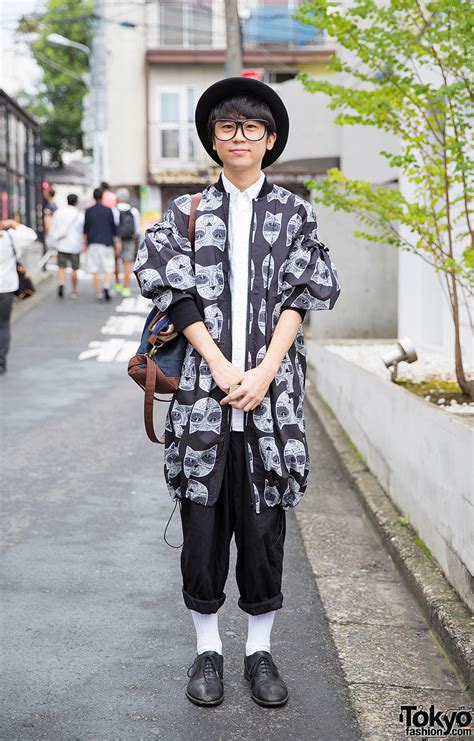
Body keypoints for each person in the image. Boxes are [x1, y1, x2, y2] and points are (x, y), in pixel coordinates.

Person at [134, 77, 341, 708]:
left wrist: (264, 371)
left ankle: (259, 651)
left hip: (272, 402)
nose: (240, 137)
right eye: (228, 128)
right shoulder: (185, 214)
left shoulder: (295, 213)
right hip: (204, 394)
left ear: (270, 139)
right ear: (213, 140)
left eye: (253, 127)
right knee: (202, 526)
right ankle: (208, 652)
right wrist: (223, 366)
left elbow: (303, 295)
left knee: (262, 529)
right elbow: (170, 287)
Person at [0, 219, 37, 374]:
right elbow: (31, 236)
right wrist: (14, 224)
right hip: (6, 287)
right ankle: (1, 361)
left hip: (7, 287)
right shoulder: (9, 237)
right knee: (3, 325)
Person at [83, 187, 121, 302]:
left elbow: (86, 229)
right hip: (107, 242)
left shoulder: (88, 211)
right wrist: (117, 242)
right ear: (102, 197)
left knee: (94, 269)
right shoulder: (108, 210)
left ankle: (99, 293)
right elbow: (114, 228)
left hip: (93, 242)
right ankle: (106, 286)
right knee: (109, 267)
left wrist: (84, 243)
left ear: (93, 197)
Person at [49, 193, 84, 299]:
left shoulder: (59, 213)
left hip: (61, 245)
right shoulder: (79, 214)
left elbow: (53, 229)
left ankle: (61, 283)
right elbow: (82, 230)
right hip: (75, 245)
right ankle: (73, 290)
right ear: (76, 202)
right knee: (74, 269)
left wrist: (52, 243)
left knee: (61, 267)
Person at [113, 188, 141, 297]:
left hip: (116, 239)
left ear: (118, 198)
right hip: (129, 239)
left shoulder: (114, 210)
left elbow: (113, 226)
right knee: (127, 263)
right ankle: (126, 287)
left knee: (115, 261)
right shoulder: (134, 211)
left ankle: (117, 284)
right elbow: (137, 229)